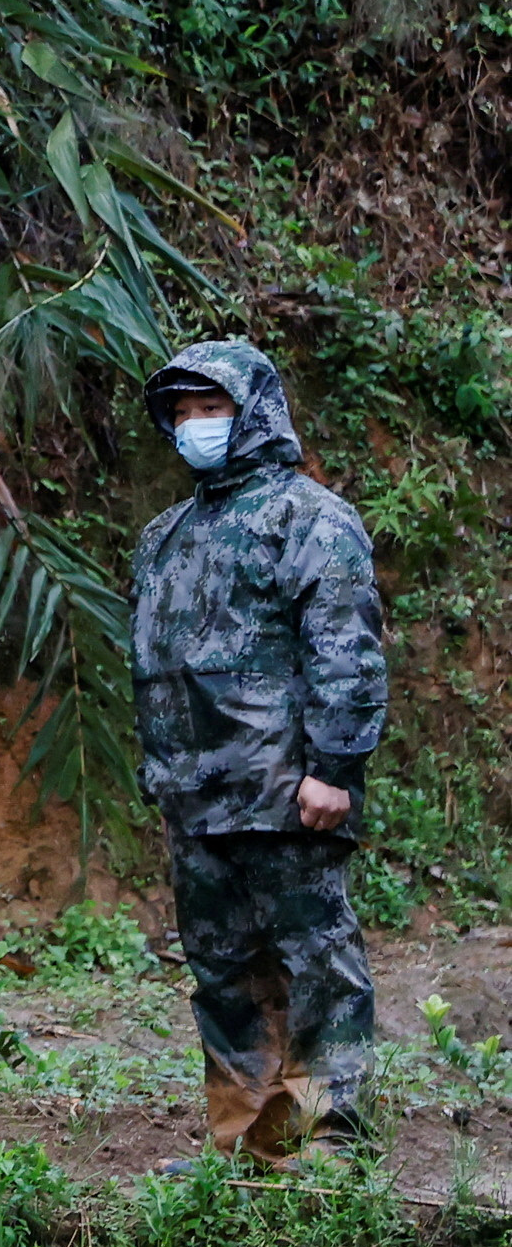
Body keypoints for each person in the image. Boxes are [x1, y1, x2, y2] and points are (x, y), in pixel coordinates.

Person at [130, 340, 389, 1164]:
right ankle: (244, 1136)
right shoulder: (165, 535)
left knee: (316, 960)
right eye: (182, 412)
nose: (195, 426)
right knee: (222, 971)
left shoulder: (308, 517)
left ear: (254, 413)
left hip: (284, 788)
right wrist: (163, 770)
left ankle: (329, 1136)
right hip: (196, 794)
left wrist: (335, 768)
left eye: (212, 408)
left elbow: (345, 646)